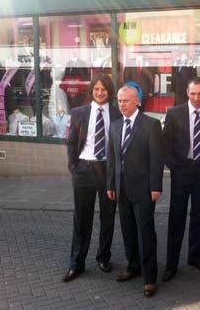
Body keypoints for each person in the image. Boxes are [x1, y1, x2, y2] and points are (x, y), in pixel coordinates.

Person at [106, 85, 164, 297]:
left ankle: (149, 277)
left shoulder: (151, 125)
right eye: (119, 101)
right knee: (128, 230)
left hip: (144, 190)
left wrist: (156, 186)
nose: (121, 105)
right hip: (121, 189)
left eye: (126, 101)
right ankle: (133, 266)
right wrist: (110, 184)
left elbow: (157, 158)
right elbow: (112, 158)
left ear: (137, 101)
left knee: (146, 232)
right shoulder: (114, 126)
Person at [162, 78, 200, 282]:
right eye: (193, 93)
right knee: (176, 218)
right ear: (187, 92)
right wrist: (175, 167)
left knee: (199, 216)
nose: (196, 98)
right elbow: (165, 143)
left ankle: (195, 257)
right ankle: (171, 264)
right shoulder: (174, 113)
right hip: (182, 171)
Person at [63, 74, 121, 282]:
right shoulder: (79, 112)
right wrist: (74, 166)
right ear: (91, 91)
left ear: (109, 92)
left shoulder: (117, 113)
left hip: (108, 170)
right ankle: (76, 263)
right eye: (96, 89)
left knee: (108, 216)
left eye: (103, 89)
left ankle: (104, 257)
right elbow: (71, 142)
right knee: (81, 218)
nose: (99, 92)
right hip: (84, 169)